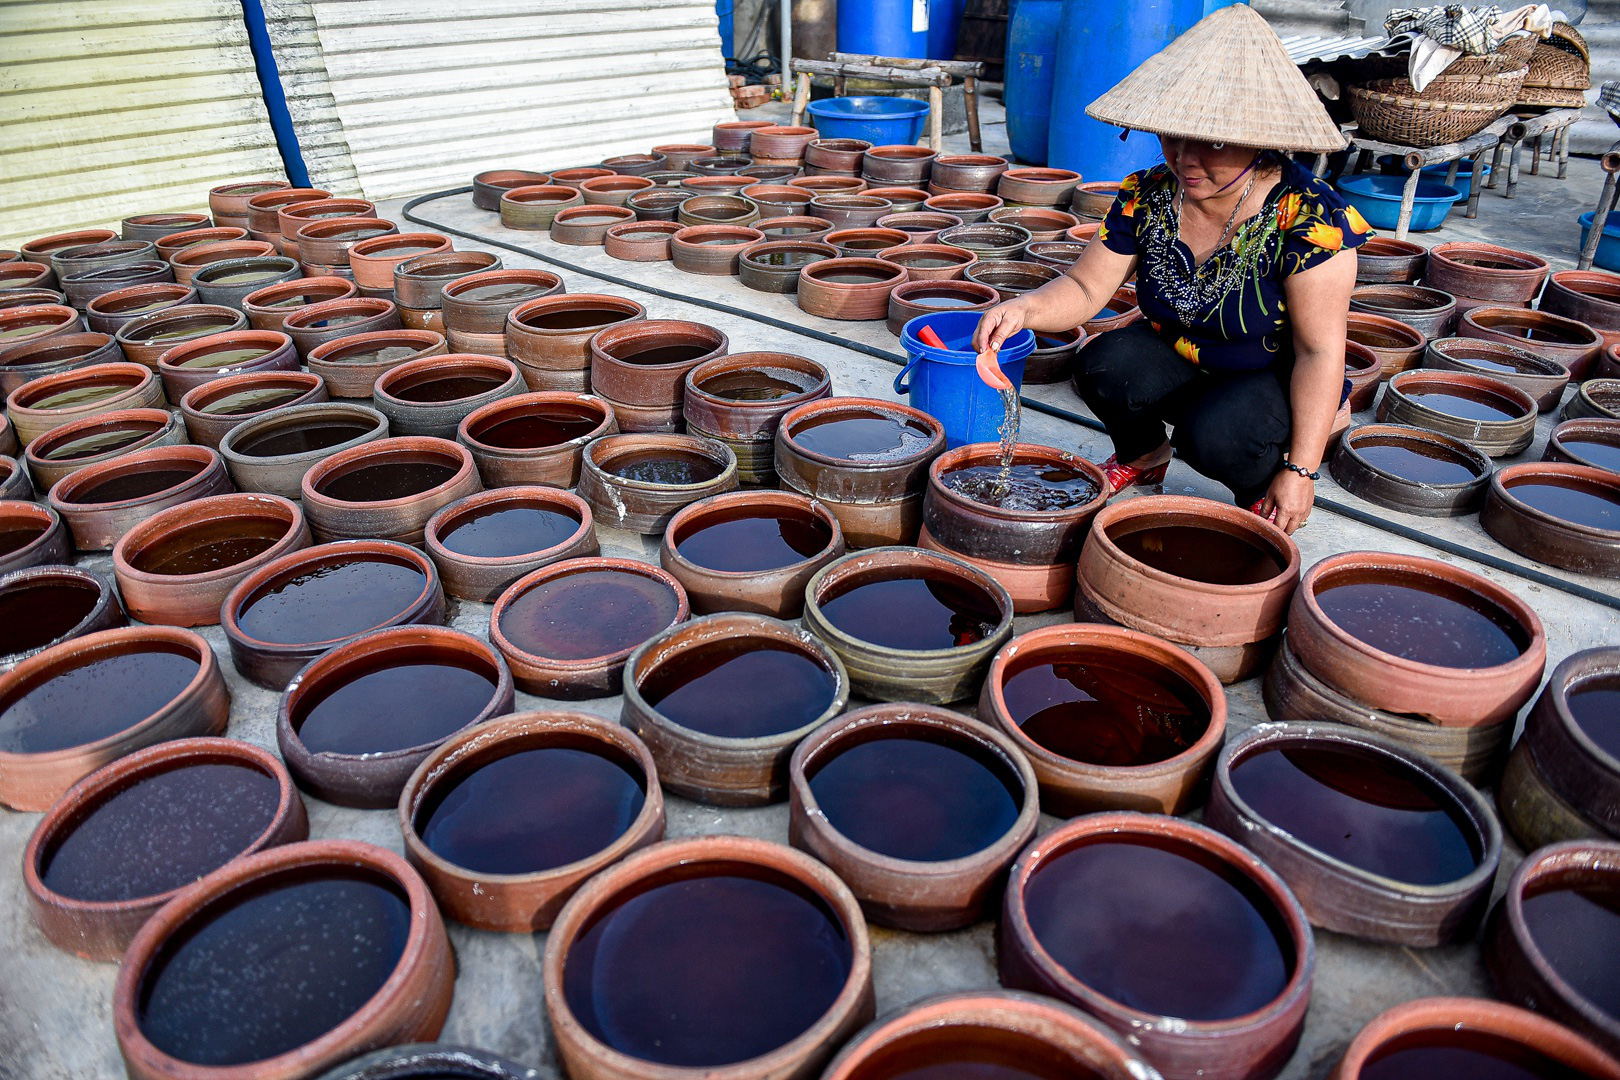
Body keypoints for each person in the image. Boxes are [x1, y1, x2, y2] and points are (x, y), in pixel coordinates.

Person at [975, 4, 1370, 535]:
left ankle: (1263, 490)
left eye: (1212, 141)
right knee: (1102, 366)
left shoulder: (1311, 217)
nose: (1184, 157)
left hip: (1270, 370)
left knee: (1216, 436)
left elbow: (1321, 351)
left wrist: (1302, 470)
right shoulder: (1149, 193)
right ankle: (1144, 454)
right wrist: (1023, 309)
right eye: (1171, 135)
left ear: (1260, 139)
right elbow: (1087, 286)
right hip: (1183, 349)